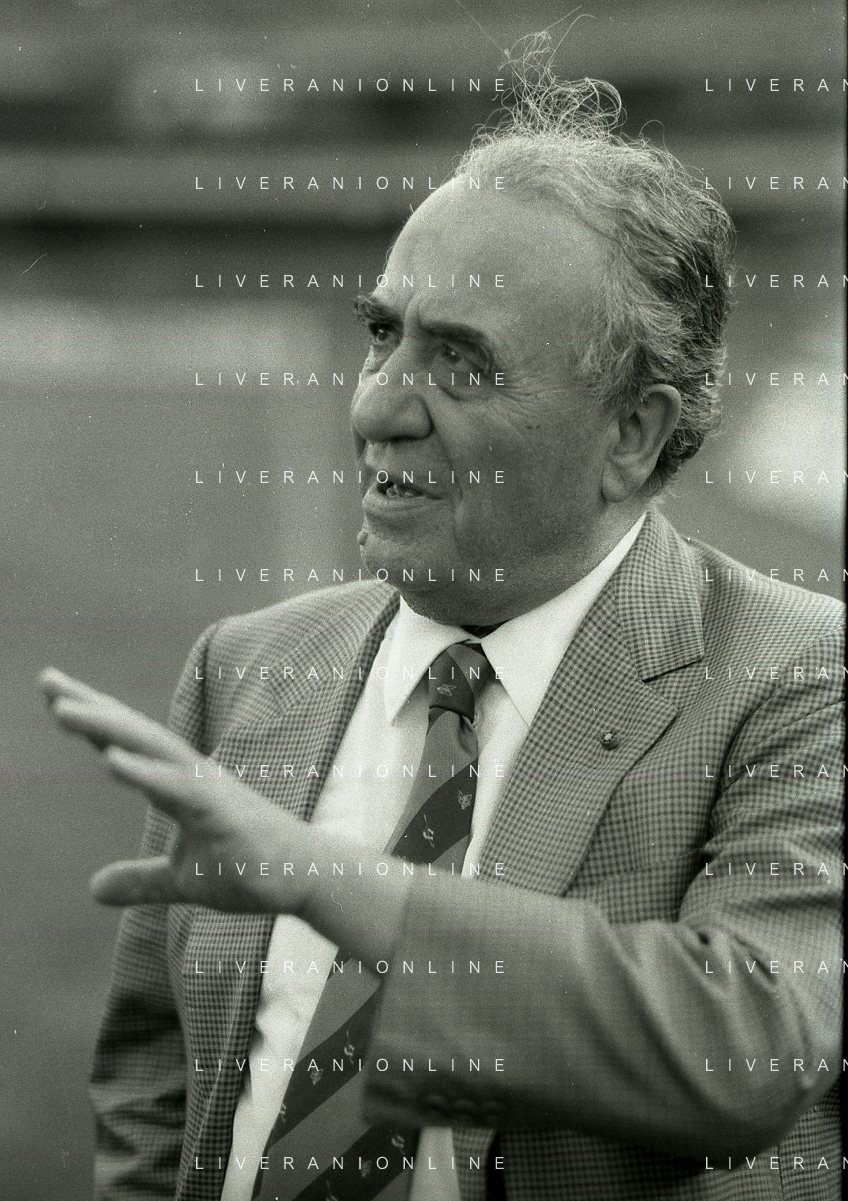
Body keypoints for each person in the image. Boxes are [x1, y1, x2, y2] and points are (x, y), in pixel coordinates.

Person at [41, 73, 842, 1201]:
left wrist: (329, 883)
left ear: (630, 432)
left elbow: (745, 1051)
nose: (376, 407)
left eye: (461, 363)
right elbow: (157, 1093)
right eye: (382, 335)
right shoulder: (248, 667)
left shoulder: (801, 676)